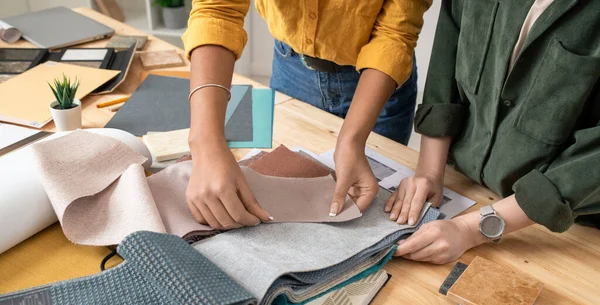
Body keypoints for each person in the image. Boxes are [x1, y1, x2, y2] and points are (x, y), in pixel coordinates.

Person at [182, 0, 431, 230]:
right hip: (291, 67)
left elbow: (394, 34)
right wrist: (205, 142)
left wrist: (351, 141)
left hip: (377, 81)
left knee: (376, 205)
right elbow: (217, 10)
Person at [388, 0, 600, 264]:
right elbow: (447, 57)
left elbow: (590, 164)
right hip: (464, 186)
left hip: (565, 232)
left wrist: (471, 229)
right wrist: (430, 171)